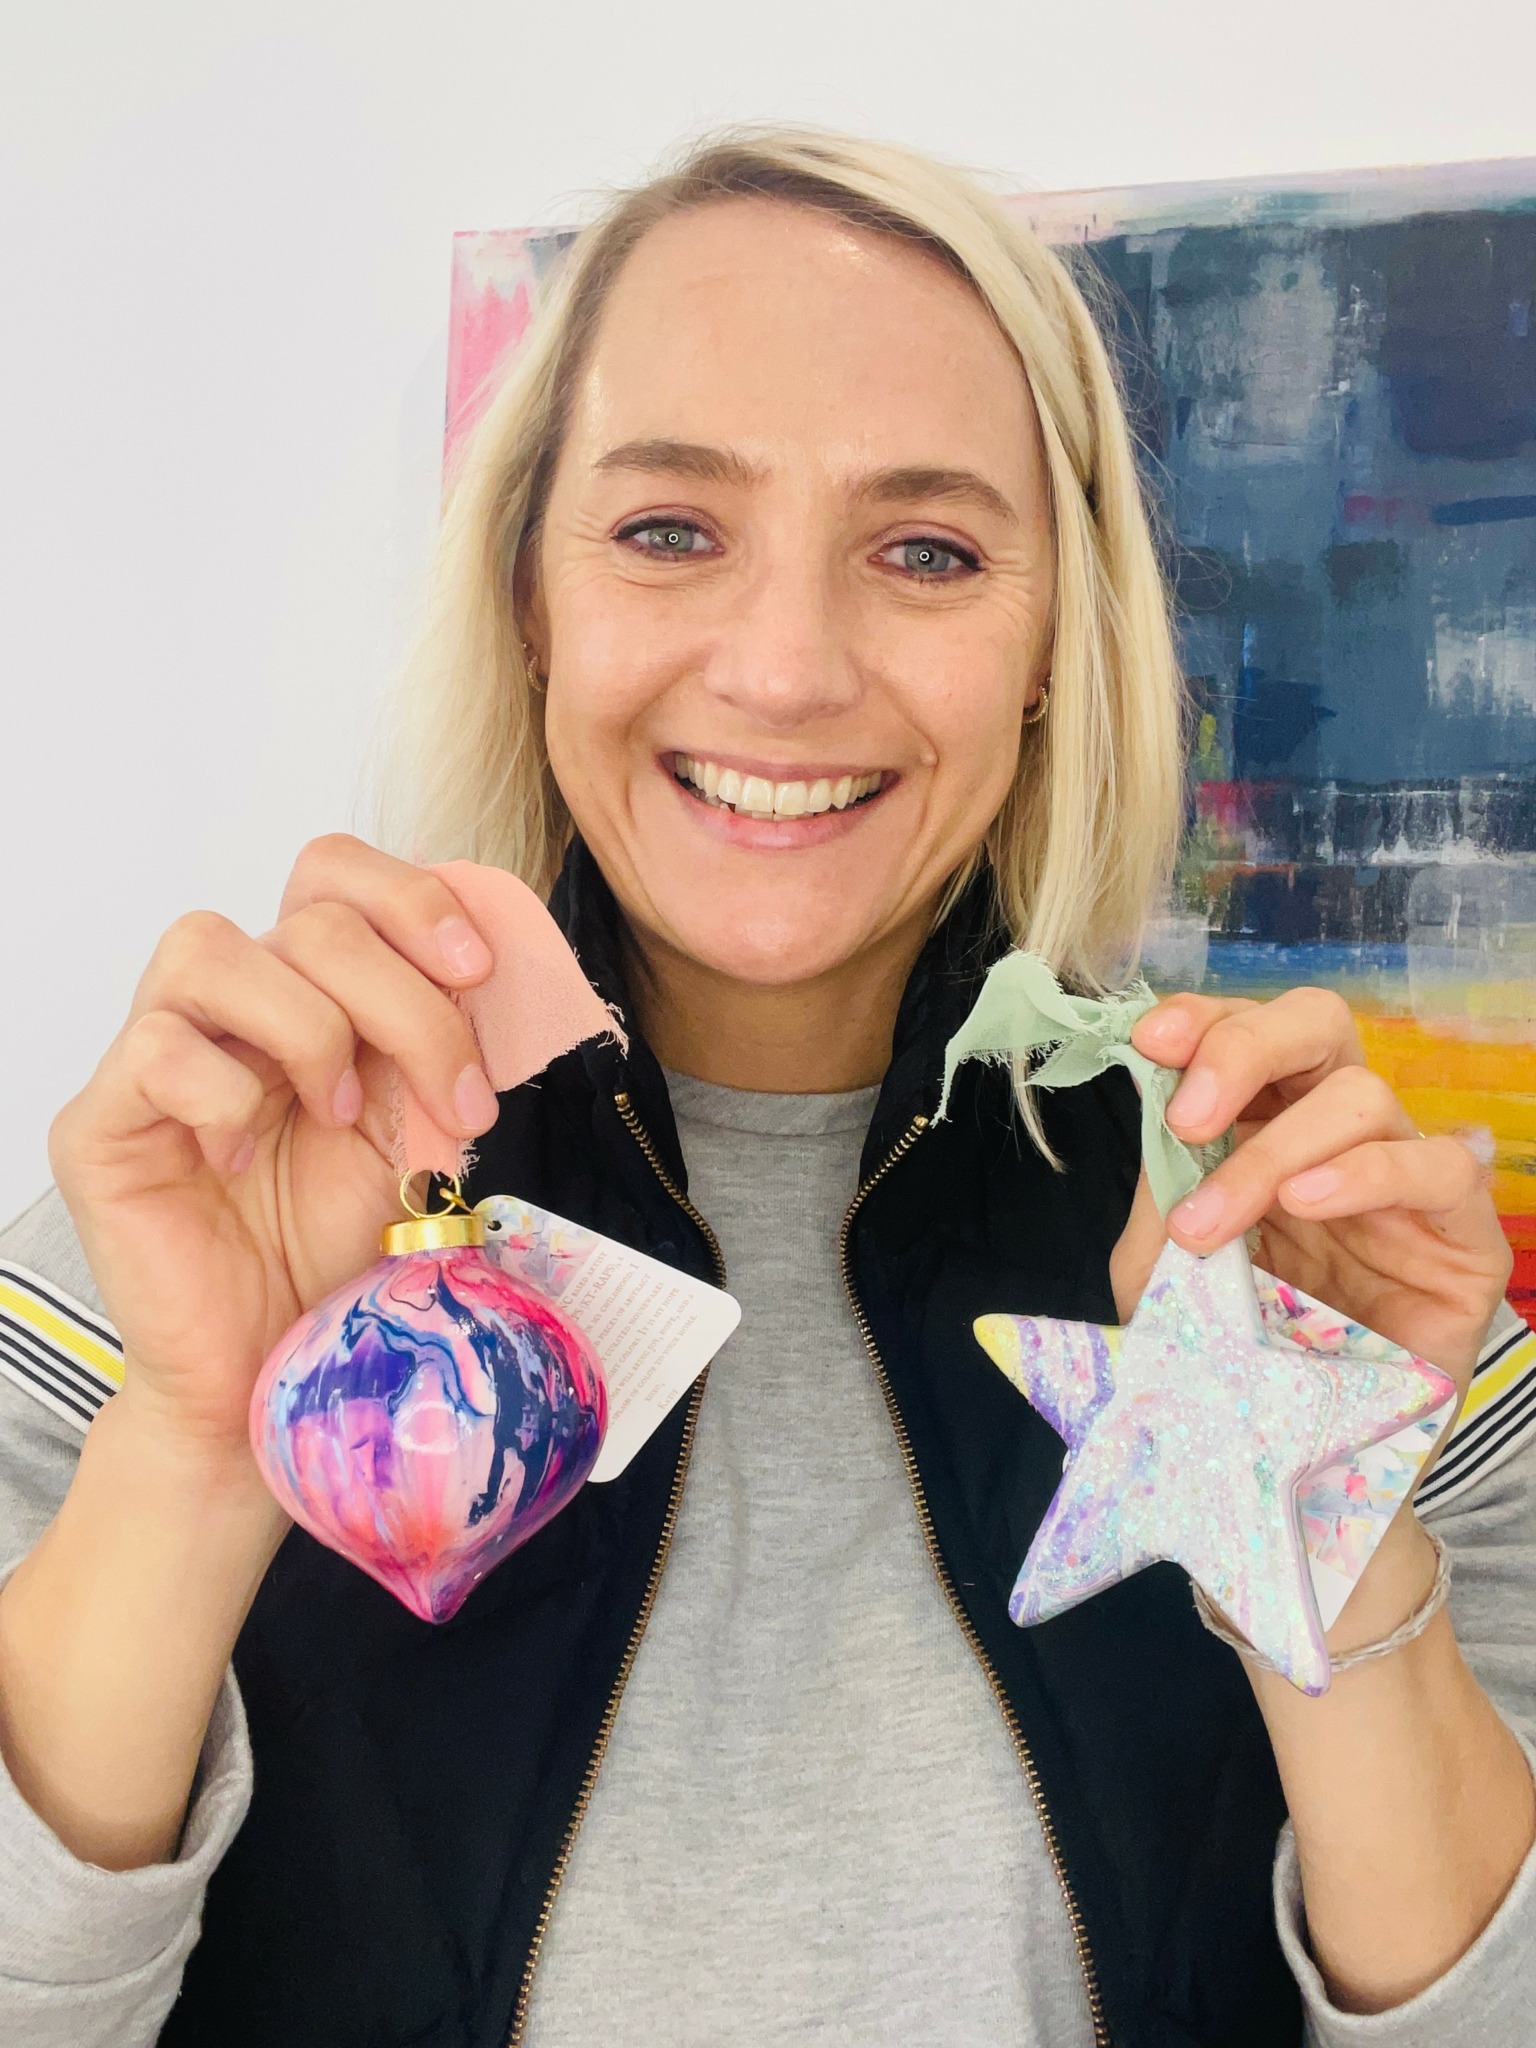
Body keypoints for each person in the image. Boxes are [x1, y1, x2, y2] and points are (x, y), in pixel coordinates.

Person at [0, 127, 1532, 2048]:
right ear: (532, 591)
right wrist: (200, 1445)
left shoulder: (1301, 1248)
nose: (787, 670)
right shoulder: (204, 1210)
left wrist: (1305, 1495)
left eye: (927, 551)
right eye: (668, 530)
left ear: (1051, 642)